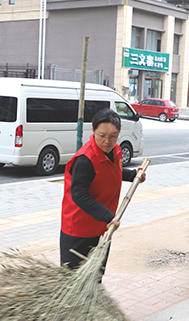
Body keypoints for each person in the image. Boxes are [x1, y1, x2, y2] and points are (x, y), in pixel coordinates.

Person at [60, 109, 146, 273]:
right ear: (93, 131)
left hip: (103, 228)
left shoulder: (116, 151)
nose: (107, 141)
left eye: (113, 136)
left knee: (95, 277)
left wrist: (133, 175)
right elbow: (79, 195)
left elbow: (112, 172)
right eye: (102, 135)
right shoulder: (85, 160)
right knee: (72, 280)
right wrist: (108, 216)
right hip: (79, 231)